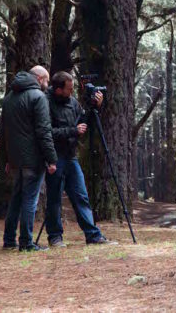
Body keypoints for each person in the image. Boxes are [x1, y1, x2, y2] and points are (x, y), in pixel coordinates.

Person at [44, 71, 112, 246]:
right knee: (54, 198)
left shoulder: (73, 103)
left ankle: (93, 235)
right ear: (59, 90)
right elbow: (46, 132)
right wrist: (72, 131)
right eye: (69, 88)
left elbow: (83, 121)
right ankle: (55, 237)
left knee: (81, 195)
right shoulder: (45, 103)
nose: (73, 91)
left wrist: (95, 107)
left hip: (71, 156)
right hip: (55, 156)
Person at [2, 66, 58, 252]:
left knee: (16, 199)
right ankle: (26, 242)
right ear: (40, 78)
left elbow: (4, 132)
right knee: (29, 200)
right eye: (47, 81)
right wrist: (51, 159)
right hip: (32, 159)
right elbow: (44, 131)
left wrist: (7, 159)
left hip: (16, 158)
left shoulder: (9, 97)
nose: (47, 85)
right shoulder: (38, 97)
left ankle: (9, 239)